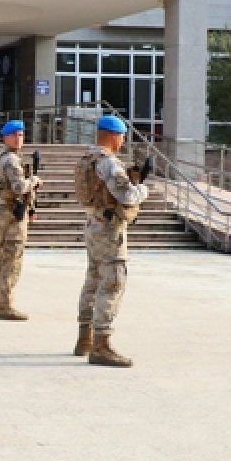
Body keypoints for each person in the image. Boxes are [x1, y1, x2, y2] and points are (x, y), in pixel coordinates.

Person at [73, 115, 149, 367]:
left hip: (92, 224)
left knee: (93, 279)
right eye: (123, 136)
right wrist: (143, 190)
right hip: (109, 230)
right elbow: (126, 195)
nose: (123, 141)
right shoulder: (108, 163)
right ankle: (101, 345)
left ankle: (85, 337)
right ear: (114, 135)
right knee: (113, 281)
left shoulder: (87, 158)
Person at [0, 120, 44, 321]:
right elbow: (19, 187)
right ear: (5, 137)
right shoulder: (11, 160)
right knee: (12, 260)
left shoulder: (2, 158)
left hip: (4, 209)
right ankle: (5, 305)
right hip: (11, 212)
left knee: (1, 257)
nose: (19, 139)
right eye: (15, 135)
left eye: (21, 135)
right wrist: (34, 181)